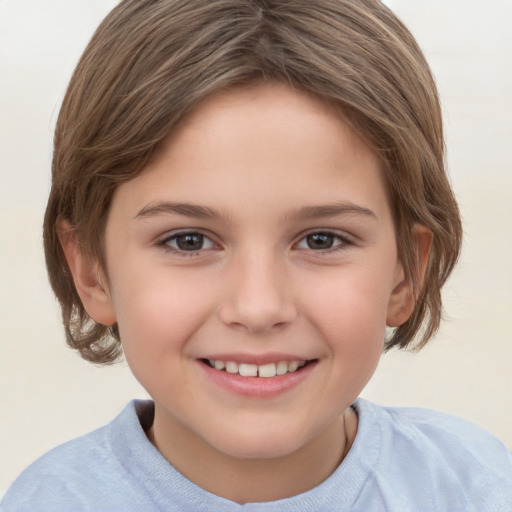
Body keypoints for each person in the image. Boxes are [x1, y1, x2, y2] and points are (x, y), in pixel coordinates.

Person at [1, 0, 511, 510]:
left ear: (405, 273)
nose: (258, 307)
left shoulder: (474, 488)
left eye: (321, 240)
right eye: (188, 241)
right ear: (92, 271)